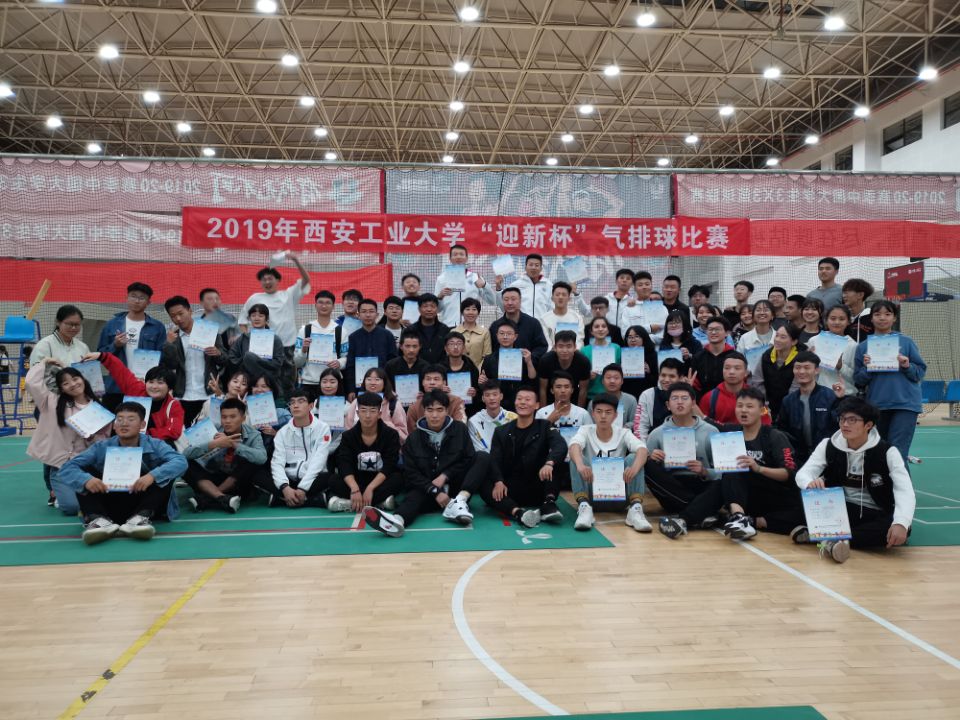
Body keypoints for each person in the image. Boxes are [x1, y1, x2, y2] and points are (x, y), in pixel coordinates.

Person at [662, 388, 803, 541]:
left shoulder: (774, 436)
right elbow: (706, 420)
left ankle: (745, 521)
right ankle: (685, 521)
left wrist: (758, 468)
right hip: (746, 497)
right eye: (740, 406)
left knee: (801, 514)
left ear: (762, 410)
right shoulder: (730, 432)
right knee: (729, 472)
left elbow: (789, 474)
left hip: (775, 495)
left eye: (749, 406)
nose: (743, 410)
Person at [794, 397, 915, 562]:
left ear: (868, 425)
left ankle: (824, 537)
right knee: (801, 500)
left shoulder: (888, 452)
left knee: (900, 527)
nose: (845, 424)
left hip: (875, 513)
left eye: (852, 420)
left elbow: (904, 490)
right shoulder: (828, 444)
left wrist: (901, 523)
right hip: (839, 509)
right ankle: (833, 538)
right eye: (842, 419)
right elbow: (803, 474)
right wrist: (809, 482)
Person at [58, 402, 188, 545]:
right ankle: (99, 521)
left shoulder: (155, 444)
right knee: (84, 473)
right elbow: (67, 468)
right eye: (119, 419)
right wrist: (87, 480)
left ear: (142, 425)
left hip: (143, 500)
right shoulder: (101, 446)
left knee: (163, 474)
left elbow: (180, 461)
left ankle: (139, 520)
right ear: (114, 425)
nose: (124, 423)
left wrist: (152, 476)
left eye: (131, 419)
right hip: (111, 503)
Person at [364, 390, 487, 537]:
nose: (434, 415)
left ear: (446, 410)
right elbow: (411, 473)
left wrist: (445, 475)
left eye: (439, 410)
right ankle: (396, 521)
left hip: (456, 490)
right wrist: (434, 491)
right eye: (430, 410)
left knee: (482, 457)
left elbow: (467, 459)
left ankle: (459, 503)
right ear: (424, 411)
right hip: (428, 491)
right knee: (414, 496)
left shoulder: (460, 429)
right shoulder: (413, 439)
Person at [26, 358, 112, 512]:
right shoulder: (51, 402)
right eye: (66, 383)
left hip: (86, 466)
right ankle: (58, 492)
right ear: (61, 388)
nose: (72, 384)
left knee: (106, 503)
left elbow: (103, 440)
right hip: (61, 467)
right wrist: (44, 362)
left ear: (83, 379)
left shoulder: (98, 408)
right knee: (72, 507)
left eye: (75, 379)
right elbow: (31, 383)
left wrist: (91, 438)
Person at [480, 386, 568, 528]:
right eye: (519, 399)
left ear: (537, 405)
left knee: (556, 461)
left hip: (538, 486)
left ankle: (548, 504)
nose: (522, 402)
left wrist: (549, 463)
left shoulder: (544, 426)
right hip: (509, 490)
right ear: (515, 403)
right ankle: (518, 513)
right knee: (484, 479)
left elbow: (561, 446)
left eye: (527, 399)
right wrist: (498, 481)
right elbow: (494, 460)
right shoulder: (501, 431)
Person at [853, 300, 926, 464]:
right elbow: (858, 379)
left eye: (887, 314)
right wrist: (867, 367)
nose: (882, 318)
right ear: (871, 318)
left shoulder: (906, 342)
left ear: (894, 318)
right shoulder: (863, 347)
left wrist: (906, 365)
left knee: (897, 452)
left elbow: (919, 372)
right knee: (881, 452)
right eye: (877, 314)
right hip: (877, 405)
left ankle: (901, 483)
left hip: (905, 404)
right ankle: (884, 482)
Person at [643, 383, 719, 531]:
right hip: (672, 489)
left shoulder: (711, 431)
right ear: (668, 405)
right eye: (675, 398)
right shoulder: (656, 434)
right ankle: (703, 511)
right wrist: (652, 458)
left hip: (702, 486)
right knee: (645, 462)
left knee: (729, 477)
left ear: (693, 403)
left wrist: (704, 471)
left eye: (684, 398)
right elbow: (651, 473)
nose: (679, 402)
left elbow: (722, 471)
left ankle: (691, 514)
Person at [569, 393, 650, 532]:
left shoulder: (624, 432)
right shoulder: (585, 430)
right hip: (592, 496)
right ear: (593, 413)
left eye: (608, 412)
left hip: (619, 496)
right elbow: (574, 446)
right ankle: (584, 508)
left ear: (615, 415)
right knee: (576, 457)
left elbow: (642, 450)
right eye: (599, 411)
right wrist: (580, 465)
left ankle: (635, 509)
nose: (603, 416)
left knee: (633, 458)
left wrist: (634, 469)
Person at [183, 398, 268, 514]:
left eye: (232, 417)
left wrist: (234, 445)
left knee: (252, 460)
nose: (227, 421)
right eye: (224, 417)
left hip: (236, 481)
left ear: (243, 418)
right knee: (183, 463)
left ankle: (208, 498)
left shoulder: (254, 434)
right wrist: (214, 444)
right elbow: (186, 454)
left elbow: (262, 458)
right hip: (211, 478)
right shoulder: (211, 430)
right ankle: (222, 498)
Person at [84, 351, 185, 445]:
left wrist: (144, 434)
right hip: (127, 443)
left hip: (155, 445)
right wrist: (102, 356)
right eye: (151, 382)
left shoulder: (173, 405)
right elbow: (121, 371)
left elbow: (173, 431)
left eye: (160, 383)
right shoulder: (137, 390)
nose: (154, 386)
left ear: (169, 387)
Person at [327, 392, 404, 513]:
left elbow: (390, 465)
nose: (367, 415)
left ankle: (350, 504)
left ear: (379, 414)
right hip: (356, 480)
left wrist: (371, 488)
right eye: (363, 410)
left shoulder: (391, 434)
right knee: (333, 480)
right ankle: (379, 503)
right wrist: (354, 489)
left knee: (398, 479)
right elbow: (344, 464)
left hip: (379, 481)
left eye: (372, 411)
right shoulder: (348, 436)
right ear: (358, 413)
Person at [96, 282, 167, 410]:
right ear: (126, 298)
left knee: (142, 420)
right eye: (133, 296)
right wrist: (115, 345)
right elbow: (100, 354)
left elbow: (162, 357)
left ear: (148, 302)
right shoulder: (112, 324)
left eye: (141, 298)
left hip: (144, 386)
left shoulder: (157, 327)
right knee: (113, 420)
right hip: (116, 385)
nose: (137, 301)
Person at [161, 295, 227, 426]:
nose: (178, 319)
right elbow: (171, 365)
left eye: (181, 313)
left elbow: (225, 360)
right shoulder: (172, 338)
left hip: (208, 393)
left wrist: (217, 353)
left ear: (190, 311)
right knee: (185, 432)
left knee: (211, 431)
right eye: (173, 316)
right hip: (183, 395)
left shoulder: (209, 332)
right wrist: (168, 345)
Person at [261, 389, 332, 508]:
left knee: (332, 478)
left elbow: (319, 461)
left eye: (301, 401)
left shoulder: (323, 428)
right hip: (289, 480)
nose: (295, 405)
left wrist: (303, 488)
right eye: (292, 402)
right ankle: (311, 499)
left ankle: (282, 499)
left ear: (311, 406)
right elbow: (277, 463)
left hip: (313, 479)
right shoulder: (282, 432)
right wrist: (285, 487)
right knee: (259, 474)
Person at [239, 254, 311, 363]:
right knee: (264, 373)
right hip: (263, 346)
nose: (267, 282)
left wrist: (295, 260)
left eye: (270, 279)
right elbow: (242, 321)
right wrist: (248, 339)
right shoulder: (254, 298)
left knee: (287, 373)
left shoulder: (289, 295)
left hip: (287, 345)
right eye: (264, 279)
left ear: (278, 280)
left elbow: (306, 279)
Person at [777, 351, 843, 465]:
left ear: (817, 370)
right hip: (798, 457)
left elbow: (839, 427)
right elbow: (783, 431)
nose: (801, 371)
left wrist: (841, 399)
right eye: (797, 368)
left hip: (827, 455)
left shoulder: (830, 396)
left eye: (807, 368)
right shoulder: (788, 401)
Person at [228, 304, 289, 400]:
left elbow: (278, 362)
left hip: (267, 385)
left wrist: (256, 360)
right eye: (253, 315)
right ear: (249, 318)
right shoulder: (242, 338)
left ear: (267, 319)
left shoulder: (275, 339)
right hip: (248, 386)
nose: (256, 318)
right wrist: (247, 360)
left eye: (260, 316)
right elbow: (232, 358)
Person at [295, 290, 345, 403]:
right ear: (315, 305)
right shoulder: (305, 330)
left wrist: (339, 362)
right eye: (320, 302)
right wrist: (303, 350)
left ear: (333, 306)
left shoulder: (341, 331)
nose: (324, 306)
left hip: (333, 384)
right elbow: (297, 363)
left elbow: (347, 357)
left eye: (328, 303)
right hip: (308, 383)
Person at [343, 299, 399, 394]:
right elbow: (350, 366)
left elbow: (393, 363)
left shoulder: (387, 335)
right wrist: (351, 390)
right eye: (364, 311)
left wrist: (391, 387)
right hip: (360, 387)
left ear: (377, 314)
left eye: (371, 311)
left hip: (383, 386)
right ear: (358, 315)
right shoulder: (353, 337)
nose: (368, 315)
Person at [699, 352, 771, 426]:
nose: (731, 372)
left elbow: (765, 423)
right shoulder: (709, 398)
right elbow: (702, 426)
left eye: (737, 368)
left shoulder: (756, 397)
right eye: (727, 368)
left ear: (746, 372)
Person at [480, 320, 538, 412]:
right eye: (502, 333)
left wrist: (529, 362)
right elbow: (484, 383)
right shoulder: (489, 359)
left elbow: (532, 378)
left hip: (518, 402)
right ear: (497, 335)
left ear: (515, 336)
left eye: (509, 334)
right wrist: (483, 381)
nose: (505, 336)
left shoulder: (523, 355)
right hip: (497, 404)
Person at [30, 305, 91, 390]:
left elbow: (90, 374)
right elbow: (36, 377)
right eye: (69, 324)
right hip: (52, 395)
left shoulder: (83, 347)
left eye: (77, 324)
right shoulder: (44, 345)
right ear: (58, 322)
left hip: (79, 395)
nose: (73, 328)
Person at [434, 243, 494, 326]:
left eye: (461, 254)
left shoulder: (475, 277)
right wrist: (440, 297)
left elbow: (492, 301)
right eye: (455, 254)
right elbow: (437, 310)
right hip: (448, 326)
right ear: (450, 259)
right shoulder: (442, 279)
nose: (458, 257)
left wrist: (485, 285)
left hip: (470, 327)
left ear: (466, 258)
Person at [344, 367, 408, 442]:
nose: (372, 383)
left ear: (384, 383)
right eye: (369, 379)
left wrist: (388, 425)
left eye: (377, 379)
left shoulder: (393, 404)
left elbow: (404, 436)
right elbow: (348, 429)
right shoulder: (356, 402)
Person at [806, 304, 858, 395]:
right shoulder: (814, 341)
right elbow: (808, 373)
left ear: (848, 321)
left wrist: (840, 366)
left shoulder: (853, 345)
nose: (837, 322)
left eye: (842, 319)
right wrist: (809, 362)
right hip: (819, 394)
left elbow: (855, 377)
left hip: (845, 395)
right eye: (833, 319)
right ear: (826, 321)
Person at [755, 324, 803, 421]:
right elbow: (757, 382)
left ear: (794, 342)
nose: (777, 339)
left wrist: (785, 410)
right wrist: (764, 405)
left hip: (791, 407)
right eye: (777, 335)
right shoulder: (766, 356)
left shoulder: (800, 359)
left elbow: (795, 388)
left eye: (783, 337)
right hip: (767, 406)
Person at [489, 287, 548, 363]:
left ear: (520, 301)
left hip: (528, 367)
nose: (510, 303)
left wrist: (530, 358)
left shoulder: (533, 323)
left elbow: (542, 346)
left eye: (513, 299)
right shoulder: (495, 326)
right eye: (506, 300)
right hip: (501, 367)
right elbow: (490, 349)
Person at [633, 357, 684, 442]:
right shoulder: (647, 395)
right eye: (663, 375)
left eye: (672, 376)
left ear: (681, 378)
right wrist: (644, 448)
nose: (666, 380)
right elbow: (640, 427)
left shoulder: (687, 396)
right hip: (653, 445)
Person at [404, 364, 467, 433]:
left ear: (444, 382)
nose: (432, 382)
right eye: (428, 379)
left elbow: (460, 427)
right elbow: (412, 433)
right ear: (423, 382)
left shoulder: (456, 402)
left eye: (436, 379)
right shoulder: (414, 407)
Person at [536, 330, 591, 407]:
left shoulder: (583, 362)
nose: (565, 350)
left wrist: (579, 411)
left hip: (573, 399)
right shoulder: (545, 361)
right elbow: (542, 389)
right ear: (555, 347)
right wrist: (543, 411)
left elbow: (583, 390)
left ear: (575, 347)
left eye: (569, 346)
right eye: (561, 346)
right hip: (550, 399)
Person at [494, 253, 553, 320]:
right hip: (520, 325)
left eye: (536, 265)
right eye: (531, 265)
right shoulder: (515, 285)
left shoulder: (548, 285)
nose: (533, 267)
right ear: (525, 267)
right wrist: (498, 288)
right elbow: (505, 307)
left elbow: (552, 310)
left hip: (542, 325)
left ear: (541, 268)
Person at [690, 315, 736, 397]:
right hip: (703, 401)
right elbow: (695, 385)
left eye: (717, 329)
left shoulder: (735, 357)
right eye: (710, 329)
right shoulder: (698, 357)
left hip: (729, 399)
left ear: (726, 333)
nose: (713, 332)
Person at [469, 380, 519, 452]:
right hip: (484, 458)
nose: (491, 398)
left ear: (501, 396)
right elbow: (478, 450)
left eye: (495, 394)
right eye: (487, 395)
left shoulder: (514, 418)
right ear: (483, 398)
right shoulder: (474, 421)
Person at [440, 331, 479, 415]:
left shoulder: (471, 367)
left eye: (459, 343)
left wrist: (475, 392)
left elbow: (478, 388)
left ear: (464, 347)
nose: (455, 347)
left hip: (469, 410)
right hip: (446, 410)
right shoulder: (439, 369)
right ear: (446, 348)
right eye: (451, 344)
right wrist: (440, 390)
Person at [587, 364, 637, 430]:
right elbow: (589, 424)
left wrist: (626, 427)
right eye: (608, 378)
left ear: (622, 381)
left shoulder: (631, 400)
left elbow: (635, 421)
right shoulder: (593, 402)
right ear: (602, 381)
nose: (612, 381)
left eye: (616, 378)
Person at [582, 317, 621, 400]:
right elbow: (580, 374)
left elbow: (621, 370)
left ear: (608, 330)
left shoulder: (616, 348)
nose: (600, 329)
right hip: (591, 395)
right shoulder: (584, 350)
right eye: (596, 327)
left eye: (604, 326)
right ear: (591, 331)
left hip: (613, 395)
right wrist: (587, 375)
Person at [407, 293, 450, 365]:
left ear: (437, 309)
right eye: (425, 306)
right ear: (419, 309)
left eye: (432, 306)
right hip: (417, 369)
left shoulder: (445, 330)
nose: (429, 309)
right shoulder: (410, 330)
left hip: (440, 370)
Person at [540, 281, 585, 349]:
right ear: (552, 298)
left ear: (569, 298)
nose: (560, 297)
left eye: (564, 295)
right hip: (552, 353)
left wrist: (571, 351)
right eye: (557, 294)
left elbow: (579, 341)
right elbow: (546, 343)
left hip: (573, 353)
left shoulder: (577, 318)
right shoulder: (544, 319)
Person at [620, 325, 658, 399]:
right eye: (630, 337)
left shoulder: (653, 355)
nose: (633, 340)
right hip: (627, 394)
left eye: (637, 336)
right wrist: (620, 371)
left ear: (644, 338)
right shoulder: (624, 355)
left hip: (647, 395)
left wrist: (649, 372)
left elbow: (657, 380)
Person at [453, 298, 492, 368]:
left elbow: (487, 355)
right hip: (458, 372)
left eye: (474, 309)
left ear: (478, 313)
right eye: (467, 309)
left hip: (479, 372)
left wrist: (479, 371)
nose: (470, 312)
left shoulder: (484, 332)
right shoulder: (454, 332)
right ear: (462, 312)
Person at [842, 278, 875, 342]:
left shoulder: (871, 317)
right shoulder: (843, 317)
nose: (844, 296)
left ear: (860, 295)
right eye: (843, 293)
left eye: (847, 292)